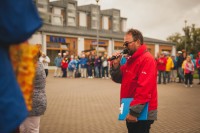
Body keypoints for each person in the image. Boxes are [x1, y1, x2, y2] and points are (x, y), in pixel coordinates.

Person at [110, 29, 157, 133]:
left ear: (138, 42)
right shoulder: (131, 60)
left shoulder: (147, 59)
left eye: (127, 43)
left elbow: (144, 89)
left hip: (141, 111)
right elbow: (118, 78)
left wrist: (134, 112)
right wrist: (116, 64)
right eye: (124, 44)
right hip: (129, 106)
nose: (125, 46)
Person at [20, 51, 47, 133]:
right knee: (25, 128)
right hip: (35, 100)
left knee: (31, 129)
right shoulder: (38, 65)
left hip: (32, 101)